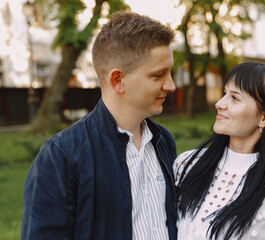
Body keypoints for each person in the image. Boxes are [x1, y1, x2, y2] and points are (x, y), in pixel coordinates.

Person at [22, 11, 177, 240]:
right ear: (118, 80)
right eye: (158, 75)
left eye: (170, 73)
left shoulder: (163, 142)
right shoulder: (61, 158)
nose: (171, 85)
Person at [174, 62, 265, 240]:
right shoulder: (187, 164)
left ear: (264, 117)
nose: (219, 104)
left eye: (235, 98)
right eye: (225, 93)